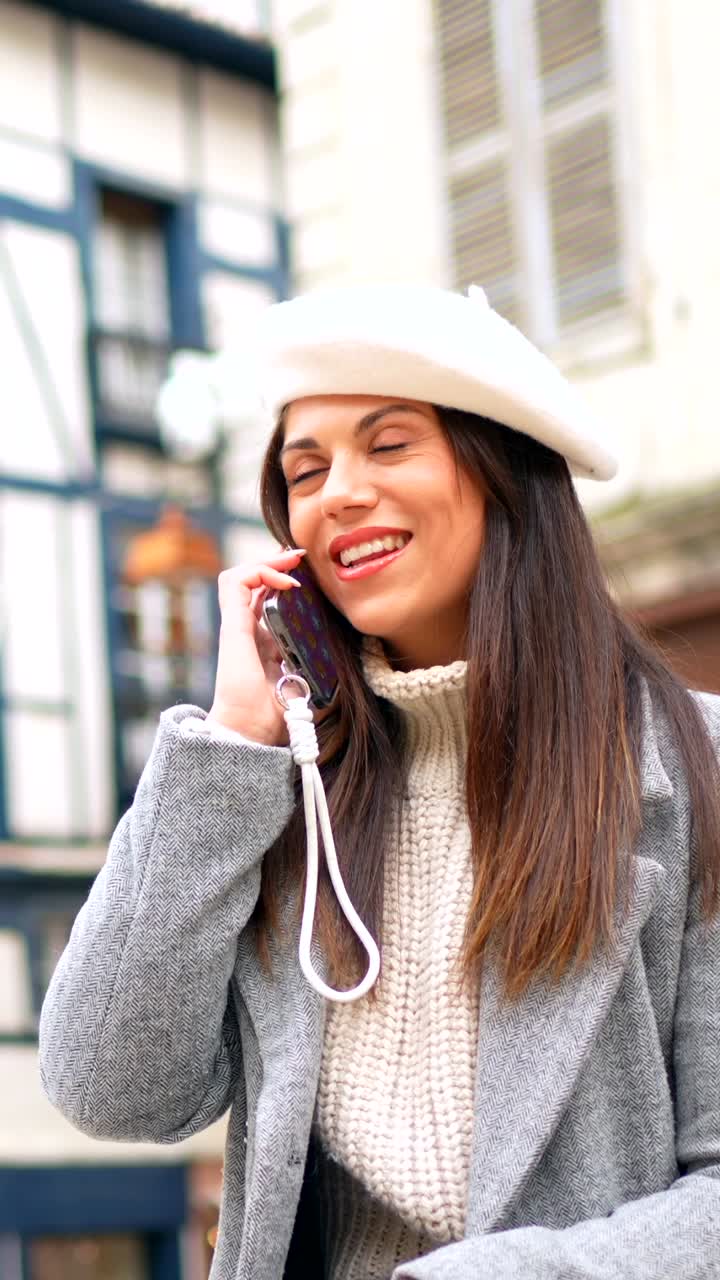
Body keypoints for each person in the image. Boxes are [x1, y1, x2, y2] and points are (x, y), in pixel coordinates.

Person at [39, 284, 720, 1280]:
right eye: (303, 470)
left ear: (500, 470)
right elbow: (112, 1086)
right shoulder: (287, 785)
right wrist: (233, 740)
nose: (336, 493)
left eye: (389, 444)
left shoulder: (692, 771)